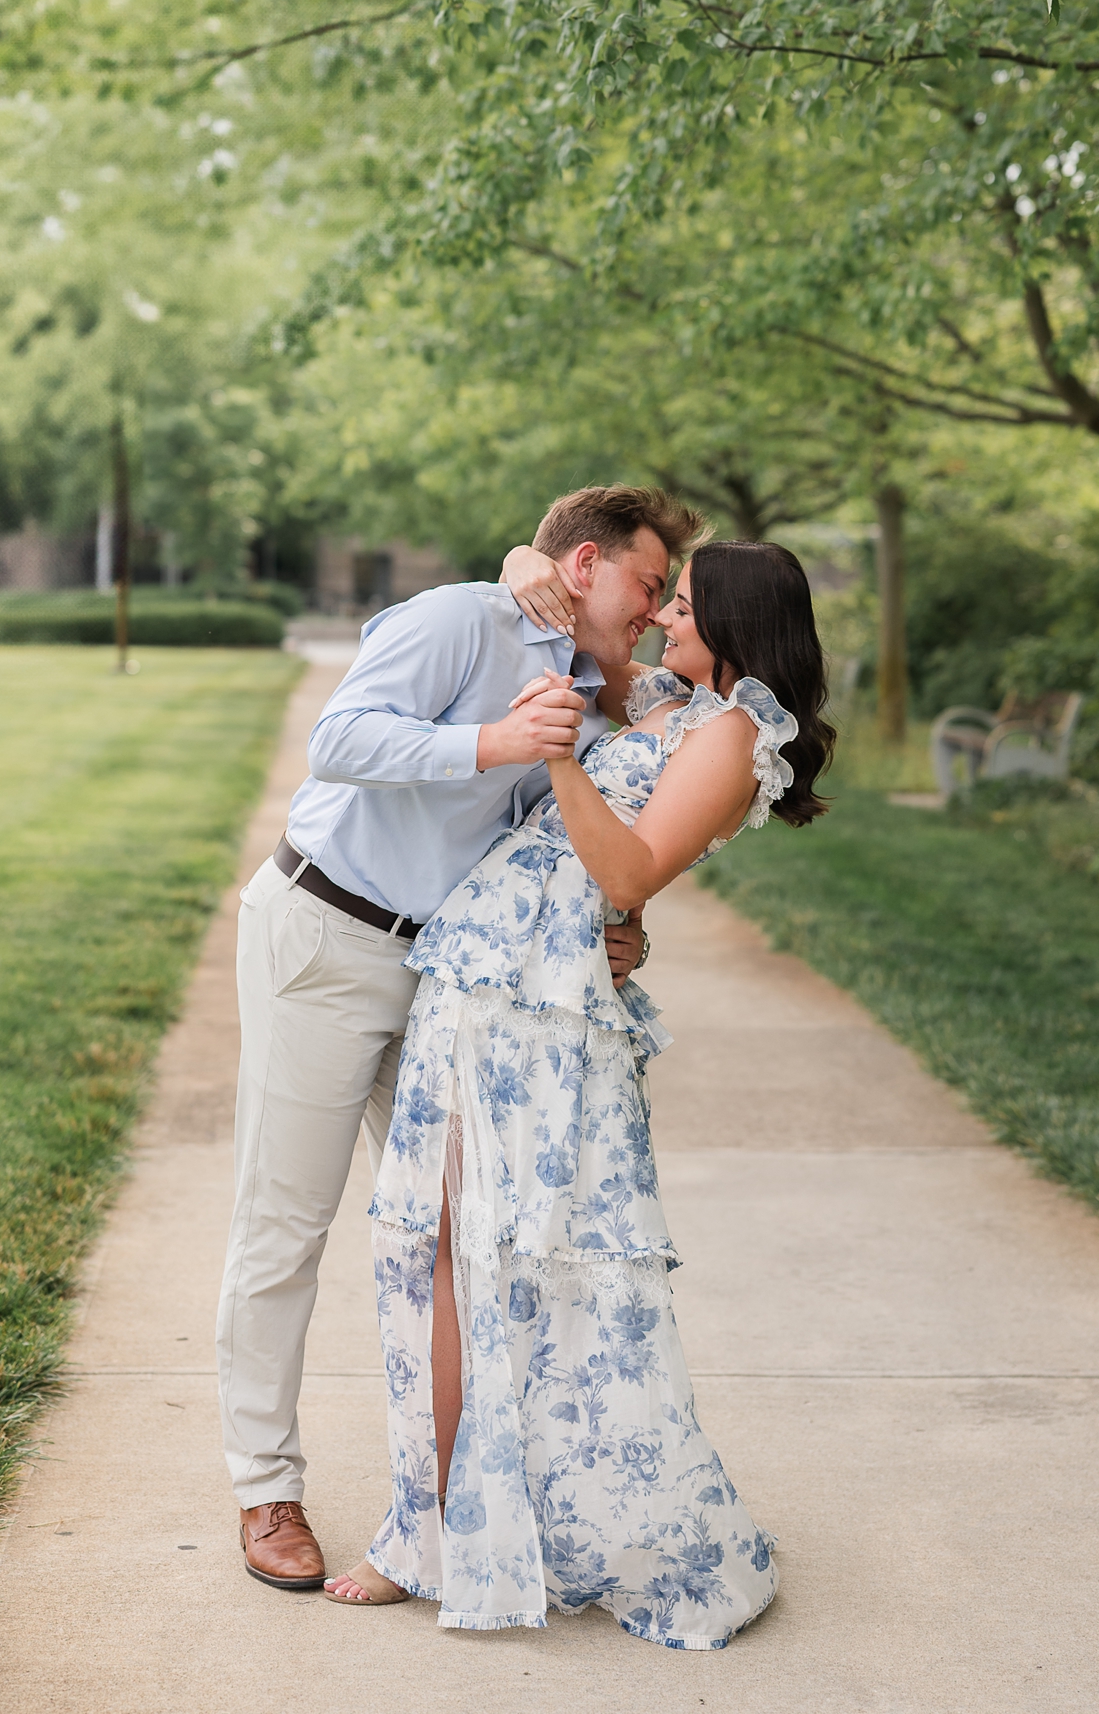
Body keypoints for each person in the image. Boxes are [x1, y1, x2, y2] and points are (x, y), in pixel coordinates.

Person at [324, 540, 836, 1650]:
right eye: (664, 597)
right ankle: (449, 1522)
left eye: (685, 606)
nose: (660, 622)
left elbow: (630, 871)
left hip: (546, 1013)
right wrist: (522, 556)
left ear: (740, 622)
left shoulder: (740, 734)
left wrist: (557, 761)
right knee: (445, 1256)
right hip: (486, 979)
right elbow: (555, 589)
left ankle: (437, 1535)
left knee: (496, 1263)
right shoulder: (663, 701)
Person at [217, 485, 707, 1589]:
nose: (655, 605)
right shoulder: (461, 620)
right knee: (286, 1224)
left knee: (463, 1235)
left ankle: (451, 1503)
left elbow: (607, 820)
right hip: (327, 937)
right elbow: (336, 739)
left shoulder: (600, 687)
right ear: (583, 563)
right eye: (645, 581)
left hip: (447, 976)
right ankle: (266, 1488)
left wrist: (623, 931)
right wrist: (490, 739)